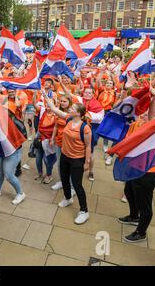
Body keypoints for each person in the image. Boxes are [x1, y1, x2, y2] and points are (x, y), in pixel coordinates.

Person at [118, 86, 155, 243]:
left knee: (144, 203)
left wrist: (154, 98)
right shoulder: (137, 124)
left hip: (148, 173)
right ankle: (134, 216)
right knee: (129, 191)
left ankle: (141, 232)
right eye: (144, 112)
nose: (144, 114)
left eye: (148, 113)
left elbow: (154, 116)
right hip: (133, 168)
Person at [43, 90, 92, 225]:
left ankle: (84, 211)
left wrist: (87, 162)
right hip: (65, 155)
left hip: (77, 159)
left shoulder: (85, 128)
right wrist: (45, 95)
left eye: (73, 108)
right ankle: (68, 198)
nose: (70, 108)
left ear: (79, 113)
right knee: (64, 179)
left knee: (77, 184)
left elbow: (88, 146)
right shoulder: (69, 119)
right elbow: (53, 108)